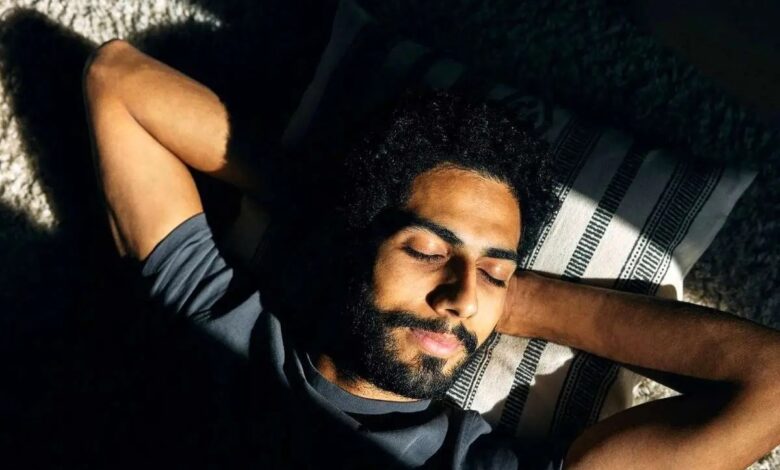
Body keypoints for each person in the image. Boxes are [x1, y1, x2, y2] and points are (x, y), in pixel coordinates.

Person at [82, 38, 780, 469]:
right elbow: (117, 78)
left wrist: (508, 296)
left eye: (495, 269)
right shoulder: (225, 328)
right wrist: (338, 217)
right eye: (425, 249)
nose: (461, 295)